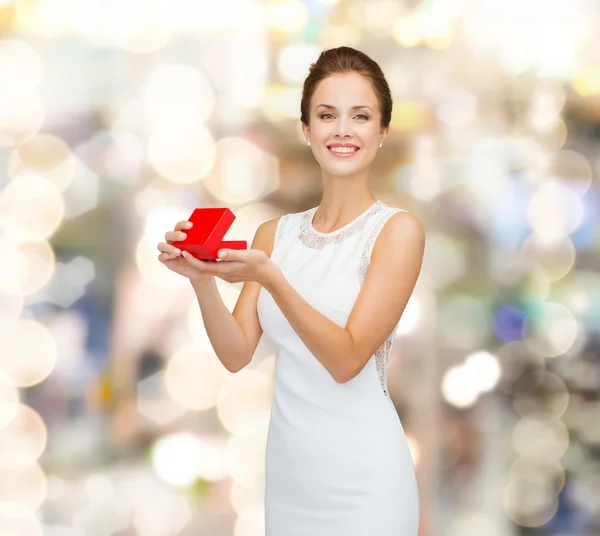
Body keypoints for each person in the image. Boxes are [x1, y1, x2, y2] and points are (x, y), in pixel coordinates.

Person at [157, 46, 425, 536]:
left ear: (382, 131)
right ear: (307, 129)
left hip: (367, 480)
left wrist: (273, 279)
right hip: (290, 477)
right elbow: (237, 354)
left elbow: (346, 360)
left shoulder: (397, 231)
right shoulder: (273, 236)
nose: (342, 130)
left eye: (360, 116)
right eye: (327, 115)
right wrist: (201, 280)